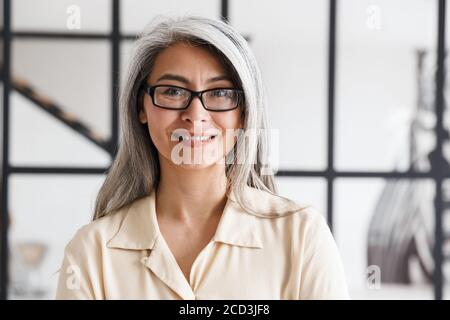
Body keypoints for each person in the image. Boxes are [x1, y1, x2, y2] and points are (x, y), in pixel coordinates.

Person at [55, 15, 349, 300]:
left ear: (243, 112)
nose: (195, 116)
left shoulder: (301, 235)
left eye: (219, 93)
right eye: (172, 91)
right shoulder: (92, 252)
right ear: (140, 107)